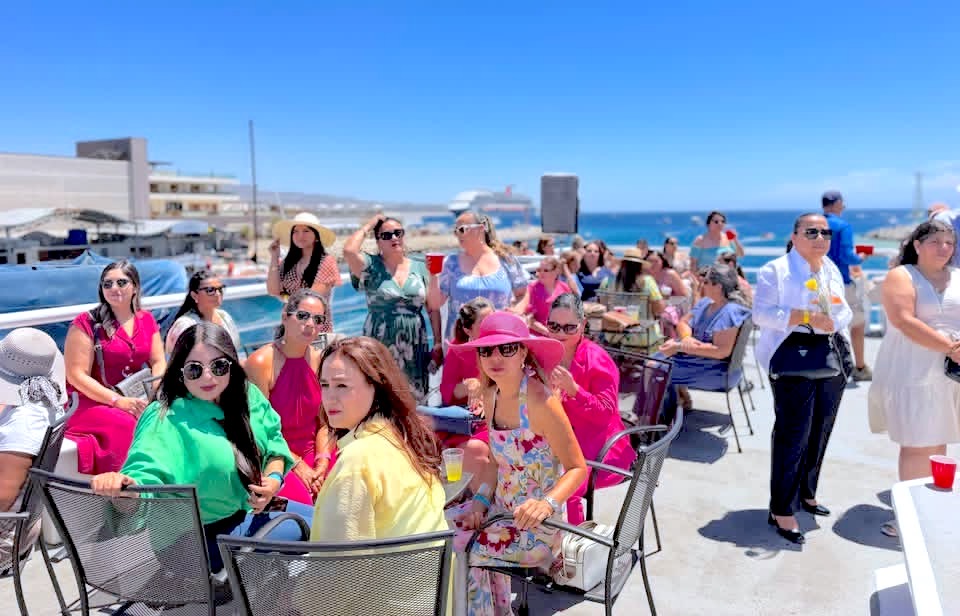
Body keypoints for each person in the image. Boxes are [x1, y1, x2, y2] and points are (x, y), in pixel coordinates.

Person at [90, 322, 313, 572]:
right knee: (324, 532)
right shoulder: (165, 418)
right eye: (195, 369)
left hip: (242, 515)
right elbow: (144, 476)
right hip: (192, 542)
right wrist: (123, 490)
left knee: (329, 521)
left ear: (231, 365)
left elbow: (273, 441)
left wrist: (272, 479)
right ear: (180, 371)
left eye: (218, 366)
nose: (208, 377)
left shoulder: (245, 394)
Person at [447, 312, 587, 616]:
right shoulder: (491, 394)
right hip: (499, 513)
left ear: (523, 351)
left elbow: (578, 467)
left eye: (506, 348)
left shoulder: (540, 400)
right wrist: (480, 501)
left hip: (538, 529)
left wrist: (546, 503)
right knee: (439, 527)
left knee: (458, 548)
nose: (495, 356)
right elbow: (498, 463)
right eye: (486, 350)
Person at [754, 213, 852, 544]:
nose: (820, 237)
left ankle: (807, 493)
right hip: (790, 357)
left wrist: (834, 321)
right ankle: (781, 507)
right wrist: (808, 316)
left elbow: (845, 311)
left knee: (821, 427)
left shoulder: (830, 269)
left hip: (830, 355)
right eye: (812, 231)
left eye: (825, 232)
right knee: (793, 432)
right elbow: (762, 315)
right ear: (795, 236)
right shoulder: (775, 271)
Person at [868, 220, 960, 537]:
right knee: (917, 443)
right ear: (917, 245)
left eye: (950, 242)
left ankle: (931, 508)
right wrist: (950, 347)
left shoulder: (958, 277)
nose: (944, 247)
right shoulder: (901, 275)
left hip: (950, 375)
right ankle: (909, 517)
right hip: (912, 371)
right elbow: (903, 320)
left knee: (938, 440)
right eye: (935, 241)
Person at [310, 337, 448, 541]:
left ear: (376, 387)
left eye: (341, 386)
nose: (330, 397)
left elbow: (340, 564)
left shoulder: (357, 461)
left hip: (386, 572)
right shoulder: (404, 436)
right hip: (430, 571)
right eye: (324, 384)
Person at [64, 260, 166, 474]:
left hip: (137, 397)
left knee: (168, 416)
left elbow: (158, 362)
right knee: (126, 424)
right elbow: (75, 375)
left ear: (135, 287)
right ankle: (124, 492)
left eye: (121, 282)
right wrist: (117, 401)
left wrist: (154, 395)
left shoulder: (146, 319)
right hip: (89, 402)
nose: (114, 289)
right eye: (107, 284)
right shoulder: (86, 323)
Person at [543, 293, 636, 524]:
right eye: (554, 326)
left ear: (583, 325)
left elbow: (605, 413)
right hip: (560, 437)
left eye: (569, 328)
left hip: (600, 449)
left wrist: (574, 390)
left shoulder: (597, 360)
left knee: (562, 478)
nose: (560, 334)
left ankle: (574, 541)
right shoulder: (545, 353)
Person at [247, 289, 335, 505]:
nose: (310, 324)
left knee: (348, 488)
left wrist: (321, 463)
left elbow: (325, 424)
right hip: (276, 457)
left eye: (318, 319)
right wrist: (298, 465)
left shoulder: (319, 361)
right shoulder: (260, 363)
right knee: (304, 503)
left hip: (317, 452)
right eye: (303, 316)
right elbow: (259, 431)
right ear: (285, 317)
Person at [344, 214, 442, 402]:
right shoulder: (370, 265)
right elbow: (349, 250)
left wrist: (437, 343)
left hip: (415, 341)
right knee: (381, 396)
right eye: (387, 235)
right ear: (378, 241)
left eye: (398, 233)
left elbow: (433, 308)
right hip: (379, 340)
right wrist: (370, 223)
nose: (394, 238)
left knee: (415, 400)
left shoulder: (421, 266)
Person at [0, 328, 68, 570]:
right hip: (24, 522)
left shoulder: (23, 424)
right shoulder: (43, 401)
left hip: (6, 536)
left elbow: (2, 498)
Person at [657, 264, 751, 416]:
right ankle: (667, 412)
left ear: (718, 286)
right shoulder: (706, 303)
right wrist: (687, 339)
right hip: (699, 361)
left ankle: (660, 422)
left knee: (657, 369)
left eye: (706, 282)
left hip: (719, 371)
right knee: (655, 361)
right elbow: (683, 322)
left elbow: (721, 352)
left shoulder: (730, 311)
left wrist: (679, 347)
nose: (702, 285)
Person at [427, 211, 529, 340]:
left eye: (462, 229)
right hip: (461, 343)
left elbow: (523, 293)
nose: (458, 234)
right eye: (455, 231)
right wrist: (433, 275)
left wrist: (517, 312)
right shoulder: (451, 263)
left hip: (499, 339)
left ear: (480, 229)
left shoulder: (506, 259)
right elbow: (435, 304)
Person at [822, 191, 872, 381]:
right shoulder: (842, 226)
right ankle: (859, 367)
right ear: (837, 204)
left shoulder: (813, 224)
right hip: (841, 282)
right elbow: (845, 255)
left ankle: (829, 366)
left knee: (826, 326)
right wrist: (860, 258)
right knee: (857, 324)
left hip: (817, 283)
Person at [267, 212, 342, 333]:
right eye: (295, 231)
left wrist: (285, 297)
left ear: (317, 236)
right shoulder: (288, 263)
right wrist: (274, 257)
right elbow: (272, 290)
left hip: (315, 330)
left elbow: (310, 300)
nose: (300, 235)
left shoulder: (326, 262)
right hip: (289, 330)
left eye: (306, 231)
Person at [165, 270, 243, 358]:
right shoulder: (185, 325)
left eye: (220, 289)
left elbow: (236, 351)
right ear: (194, 295)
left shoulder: (224, 317)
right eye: (210, 290)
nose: (217, 294)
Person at [601, 248, 665, 317]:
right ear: (640, 266)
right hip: (644, 326)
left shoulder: (607, 282)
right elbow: (659, 310)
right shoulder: (648, 282)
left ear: (622, 264)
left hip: (617, 325)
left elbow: (602, 307)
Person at [522, 257, 572, 335]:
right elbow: (528, 318)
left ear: (556, 271)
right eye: (539, 270)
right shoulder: (532, 288)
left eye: (546, 270)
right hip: (538, 334)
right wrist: (547, 332)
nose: (541, 273)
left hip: (561, 332)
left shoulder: (564, 287)